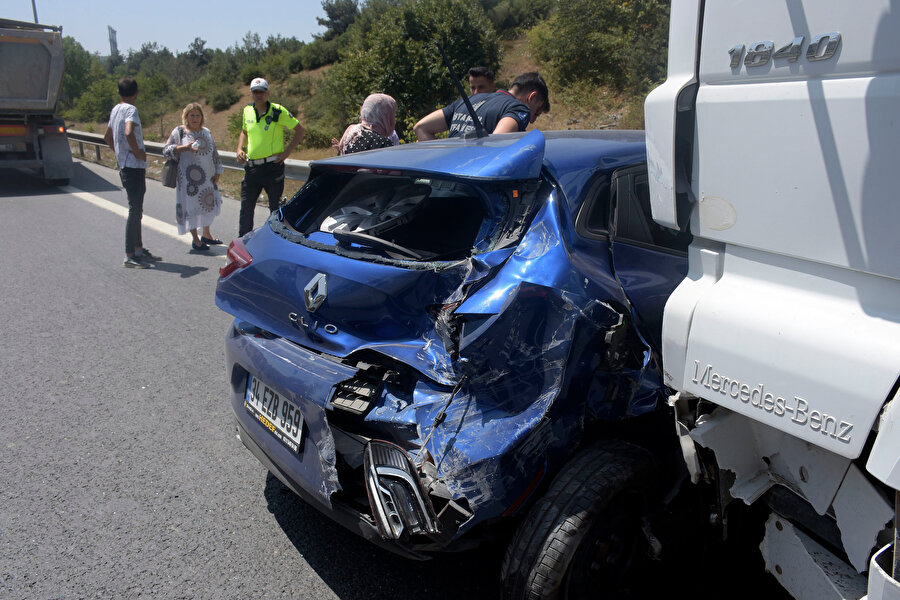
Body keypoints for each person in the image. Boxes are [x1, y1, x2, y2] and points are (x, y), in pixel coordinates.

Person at [104, 76, 162, 268]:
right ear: (136, 93)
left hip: (125, 165)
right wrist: (138, 153)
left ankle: (138, 249)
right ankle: (130, 254)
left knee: (136, 209)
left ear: (119, 92)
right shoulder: (131, 110)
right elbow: (129, 132)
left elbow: (107, 136)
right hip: (134, 166)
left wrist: (119, 153)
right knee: (134, 209)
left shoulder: (115, 109)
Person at [235, 77, 305, 237]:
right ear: (251, 93)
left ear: (268, 93)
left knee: (275, 209)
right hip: (252, 168)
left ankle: (276, 242)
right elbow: (244, 131)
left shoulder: (277, 111)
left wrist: (287, 153)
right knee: (246, 208)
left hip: (272, 167)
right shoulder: (247, 110)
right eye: (255, 92)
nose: (258, 95)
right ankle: (244, 244)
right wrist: (240, 148)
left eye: (262, 91)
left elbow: (300, 130)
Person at [413, 71, 550, 140]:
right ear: (531, 97)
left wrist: (440, 164)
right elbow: (496, 142)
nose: (532, 120)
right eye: (536, 113)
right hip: (472, 191)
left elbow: (421, 128)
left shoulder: (470, 99)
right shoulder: (519, 108)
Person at [162, 102, 224, 251]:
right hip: (188, 181)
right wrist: (185, 147)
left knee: (207, 204)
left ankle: (206, 234)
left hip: (207, 178)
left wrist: (217, 172)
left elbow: (214, 153)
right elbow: (166, 150)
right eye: (192, 115)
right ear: (186, 116)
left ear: (202, 117)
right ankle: (196, 240)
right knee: (191, 208)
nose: (195, 118)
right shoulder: (179, 132)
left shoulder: (206, 132)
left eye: (197, 115)